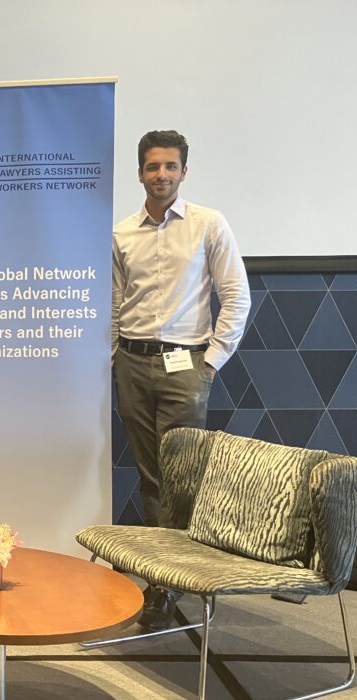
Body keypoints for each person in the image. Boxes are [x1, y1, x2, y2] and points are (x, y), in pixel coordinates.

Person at [111, 130, 251, 630]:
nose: (161, 175)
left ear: (184, 172)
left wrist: (209, 362)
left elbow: (236, 295)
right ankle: (161, 581)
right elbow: (114, 301)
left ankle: (177, 577)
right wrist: (113, 358)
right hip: (131, 362)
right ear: (140, 172)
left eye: (171, 166)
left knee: (181, 478)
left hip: (185, 366)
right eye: (152, 167)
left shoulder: (209, 224)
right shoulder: (123, 232)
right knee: (151, 475)